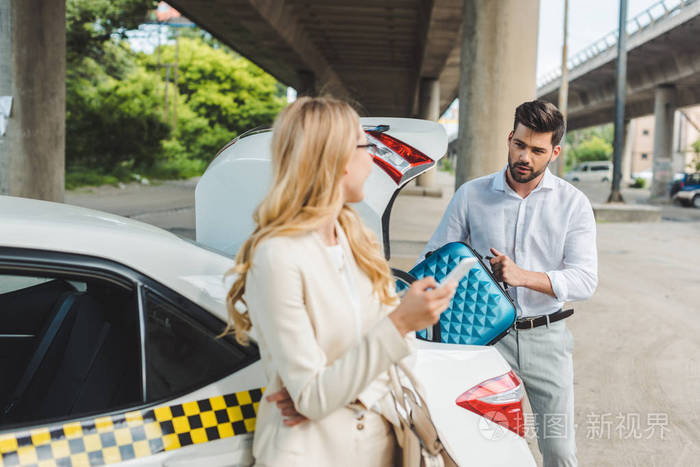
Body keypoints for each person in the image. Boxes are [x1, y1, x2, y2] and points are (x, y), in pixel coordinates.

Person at [224, 96, 457, 467]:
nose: (373, 160)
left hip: (379, 448)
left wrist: (344, 391)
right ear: (336, 159)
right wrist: (398, 324)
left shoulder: (356, 237)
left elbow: (400, 352)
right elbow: (314, 397)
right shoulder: (277, 256)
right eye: (367, 147)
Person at [420, 100, 597, 467]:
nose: (525, 157)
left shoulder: (573, 204)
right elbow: (434, 257)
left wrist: (523, 277)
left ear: (555, 152)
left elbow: (585, 279)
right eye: (520, 144)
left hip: (546, 338)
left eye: (537, 150)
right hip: (483, 339)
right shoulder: (471, 194)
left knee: (559, 450)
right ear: (510, 138)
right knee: (480, 442)